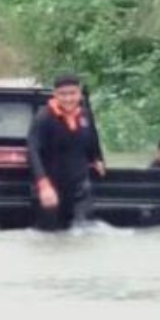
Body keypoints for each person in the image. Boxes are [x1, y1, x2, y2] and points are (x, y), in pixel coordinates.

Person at [27, 74, 106, 231]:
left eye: (72, 93)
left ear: (80, 94)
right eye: (63, 94)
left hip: (79, 187)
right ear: (55, 95)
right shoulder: (44, 117)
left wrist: (98, 158)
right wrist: (44, 186)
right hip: (50, 188)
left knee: (83, 233)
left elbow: (93, 140)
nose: (68, 98)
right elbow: (32, 151)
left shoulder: (85, 115)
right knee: (50, 237)